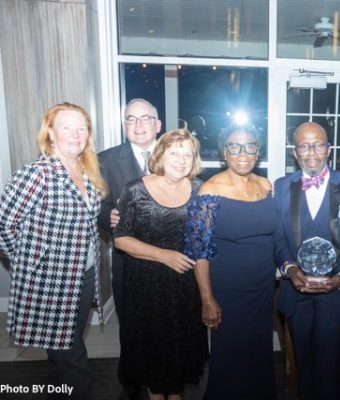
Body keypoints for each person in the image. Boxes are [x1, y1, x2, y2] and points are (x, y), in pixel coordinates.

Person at [0, 102, 108, 399]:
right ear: (50, 133)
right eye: (66, 127)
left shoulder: (86, 171)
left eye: (81, 128)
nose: (75, 134)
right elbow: (3, 224)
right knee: (72, 357)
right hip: (51, 282)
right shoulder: (37, 174)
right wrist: (31, 265)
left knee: (61, 350)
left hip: (84, 276)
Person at [184, 124, 295, 400]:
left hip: (262, 288)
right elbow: (199, 252)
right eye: (234, 146)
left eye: (250, 147)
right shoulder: (210, 191)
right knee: (230, 356)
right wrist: (207, 299)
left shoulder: (266, 186)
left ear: (258, 152)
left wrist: (290, 266)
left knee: (259, 351)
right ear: (224, 152)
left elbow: (277, 237)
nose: (242, 153)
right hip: (228, 290)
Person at [274, 121, 340, 400]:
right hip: (296, 293)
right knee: (303, 364)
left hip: (337, 294)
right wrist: (290, 269)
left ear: (329, 149)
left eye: (318, 145)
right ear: (295, 152)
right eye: (304, 146)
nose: (312, 152)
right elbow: (277, 240)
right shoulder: (281, 187)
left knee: (330, 368)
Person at [113, 129, 208, 400]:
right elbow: (121, 239)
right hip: (145, 289)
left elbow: (205, 241)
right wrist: (164, 255)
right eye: (174, 153)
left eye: (187, 154)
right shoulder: (134, 190)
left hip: (185, 289)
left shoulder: (201, 189)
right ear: (160, 155)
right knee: (153, 363)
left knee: (178, 361)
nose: (181, 160)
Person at [98, 98, 161, 400]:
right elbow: (98, 204)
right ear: (124, 125)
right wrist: (107, 216)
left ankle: (165, 374)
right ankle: (132, 382)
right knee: (131, 324)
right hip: (127, 258)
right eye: (130, 119)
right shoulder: (106, 159)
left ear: (157, 124)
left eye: (145, 118)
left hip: (168, 258)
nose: (137, 125)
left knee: (164, 322)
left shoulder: (174, 154)